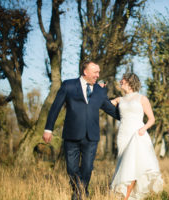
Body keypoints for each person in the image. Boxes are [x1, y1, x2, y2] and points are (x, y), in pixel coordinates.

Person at [42, 61, 120, 200]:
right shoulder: (68, 85)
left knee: (87, 168)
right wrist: (48, 128)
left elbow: (110, 109)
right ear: (85, 72)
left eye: (98, 72)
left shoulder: (100, 90)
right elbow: (55, 107)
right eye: (95, 72)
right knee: (71, 169)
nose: (98, 75)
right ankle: (81, 192)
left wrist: (130, 117)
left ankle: (79, 195)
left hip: (92, 136)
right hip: (71, 135)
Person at [109, 73, 163, 200]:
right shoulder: (119, 100)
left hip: (137, 134)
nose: (120, 81)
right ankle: (128, 195)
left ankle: (126, 197)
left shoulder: (142, 99)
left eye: (122, 79)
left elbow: (151, 119)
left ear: (129, 81)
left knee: (132, 165)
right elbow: (103, 104)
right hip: (123, 134)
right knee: (123, 165)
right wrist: (100, 89)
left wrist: (143, 129)